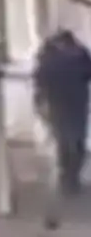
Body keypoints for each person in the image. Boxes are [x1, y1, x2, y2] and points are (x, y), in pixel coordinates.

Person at [36, 27, 91, 198]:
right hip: (77, 101)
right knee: (77, 139)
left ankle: (66, 174)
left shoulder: (49, 56)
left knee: (62, 140)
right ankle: (72, 176)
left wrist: (39, 102)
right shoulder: (81, 54)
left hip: (57, 102)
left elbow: (40, 80)